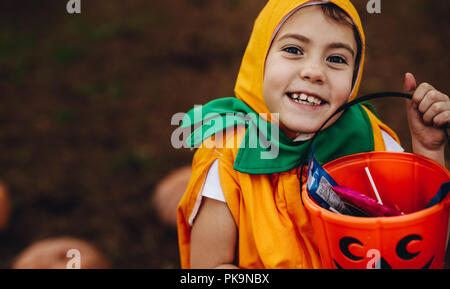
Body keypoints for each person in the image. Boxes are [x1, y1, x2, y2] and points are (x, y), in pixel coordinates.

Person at [176, 0, 450, 269]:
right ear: (260, 59)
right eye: (294, 49)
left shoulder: (370, 140)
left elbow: (426, 248)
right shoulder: (228, 156)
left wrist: (429, 151)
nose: (314, 72)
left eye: (336, 58)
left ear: (354, 77)